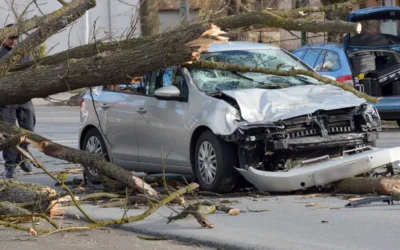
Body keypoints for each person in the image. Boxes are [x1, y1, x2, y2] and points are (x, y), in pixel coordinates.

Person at [0, 23, 36, 178]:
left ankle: (23, 156)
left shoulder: (25, 52)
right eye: (10, 39)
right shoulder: (0, 53)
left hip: (23, 97)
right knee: (8, 132)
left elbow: (33, 70)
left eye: (16, 38)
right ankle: (10, 164)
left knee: (28, 126)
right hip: (6, 98)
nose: (13, 42)